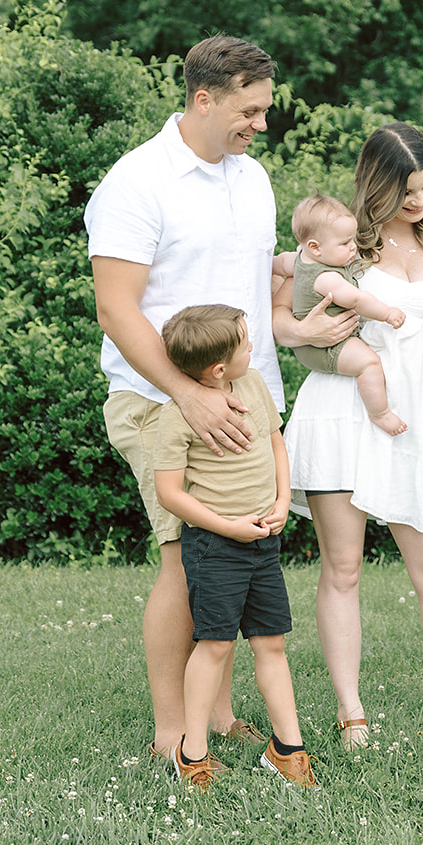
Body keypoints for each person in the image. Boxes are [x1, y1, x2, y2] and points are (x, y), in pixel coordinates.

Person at [84, 34, 353, 760]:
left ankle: (220, 708)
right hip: (160, 400)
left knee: (238, 559)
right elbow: (117, 308)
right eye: (250, 109)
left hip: (243, 399)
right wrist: (187, 395)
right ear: (204, 98)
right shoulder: (135, 184)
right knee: (186, 555)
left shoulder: (252, 178)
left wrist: (302, 322)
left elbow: (250, 285)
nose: (260, 125)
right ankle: (173, 730)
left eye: (263, 111)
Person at [279, 123, 423, 750]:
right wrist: (305, 334)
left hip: (420, 418)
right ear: (375, 185)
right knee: (344, 567)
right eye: (405, 190)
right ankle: (351, 713)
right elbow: (276, 310)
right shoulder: (342, 239)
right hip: (343, 410)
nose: (419, 200)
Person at [154, 305, 315, 788]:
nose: (254, 348)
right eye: (246, 343)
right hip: (215, 546)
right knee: (216, 644)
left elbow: (275, 443)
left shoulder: (253, 385)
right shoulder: (178, 414)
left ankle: (288, 750)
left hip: (263, 539)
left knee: (271, 642)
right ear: (218, 368)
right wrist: (227, 526)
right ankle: (192, 753)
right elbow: (170, 493)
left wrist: (283, 500)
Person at [286, 193, 407, 436]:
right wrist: (387, 313)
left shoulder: (299, 259)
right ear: (315, 247)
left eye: (352, 239)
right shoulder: (327, 278)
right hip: (326, 346)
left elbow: (277, 263)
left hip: (314, 343)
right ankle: (380, 413)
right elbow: (357, 299)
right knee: (369, 363)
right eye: (344, 243)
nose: (353, 247)